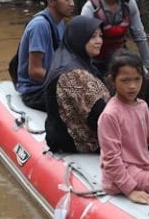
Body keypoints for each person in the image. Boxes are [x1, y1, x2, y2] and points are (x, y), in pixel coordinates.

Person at [98, 49, 149, 205]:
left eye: (137, 79)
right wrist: (130, 190)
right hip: (126, 172)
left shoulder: (141, 105)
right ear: (112, 81)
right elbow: (111, 160)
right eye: (125, 80)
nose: (132, 86)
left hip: (143, 162)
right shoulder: (110, 115)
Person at [44, 15, 109, 154]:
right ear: (79, 38)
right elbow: (101, 116)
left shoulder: (66, 54)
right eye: (92, 37)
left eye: (100, 36)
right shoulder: (74, 73)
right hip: (76, 141)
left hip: (61, 131)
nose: (99, 41)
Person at [15, 0, 76, 111]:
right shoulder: (40, 26)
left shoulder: (60, 23)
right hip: (35, 91)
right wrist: (67, 82)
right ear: (51, 1)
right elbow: (35, 71)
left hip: (51, 84)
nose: (72, 3)